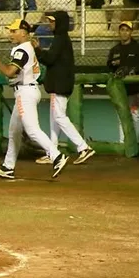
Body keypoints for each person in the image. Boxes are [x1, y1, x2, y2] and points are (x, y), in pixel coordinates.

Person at [0, 18, 69, 180]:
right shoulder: (27, 47)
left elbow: (10, 72)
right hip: (27, 90)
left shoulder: (22, 49)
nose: (11, 34)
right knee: (14, 131)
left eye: (14, 31)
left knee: (32, 129)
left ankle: (57, 156)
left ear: (23, 33)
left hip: (25, 92)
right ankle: (8, 167)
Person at [32, 11, 96, 166]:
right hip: (59, 84)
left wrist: (38, 50)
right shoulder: (61, 39)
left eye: (53, 21)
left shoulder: (60, 39)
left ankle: (83, 147)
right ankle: (53, 152)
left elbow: (50, 59)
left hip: (59, 85)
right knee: (55, 119)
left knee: (59, 117)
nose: (50, 24)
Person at [106, 21, 139, 143]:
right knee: (121, 117)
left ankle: (137, 143)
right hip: (120, 90)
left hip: (135, 89)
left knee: (135, 116)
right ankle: (123, 143)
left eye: (127, 30)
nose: (124, 32)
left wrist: (134, 70)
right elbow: (108, 66)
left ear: (131, 32)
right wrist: (113, 65)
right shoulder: (115, 50)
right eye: (122, 30)